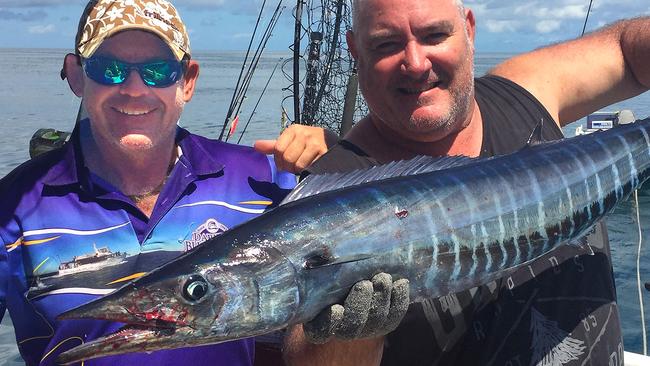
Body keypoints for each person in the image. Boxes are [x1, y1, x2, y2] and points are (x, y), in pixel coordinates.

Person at [283, 0, 650, 365]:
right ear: (354, 49)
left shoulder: (526, 91)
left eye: (435, 35)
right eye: (385, 44)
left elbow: (626, 51)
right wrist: (348, 335)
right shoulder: (326, 193)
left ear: (469, 29)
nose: (415, 63)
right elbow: (306, 356)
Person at [0, 1, 330, 365]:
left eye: (158, 71)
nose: (134, 88)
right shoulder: (14, 206)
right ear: (77, 76)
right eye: (109, 69)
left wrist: (333, 154)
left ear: (187, 81)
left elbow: (352, 230)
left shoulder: (260, 179)